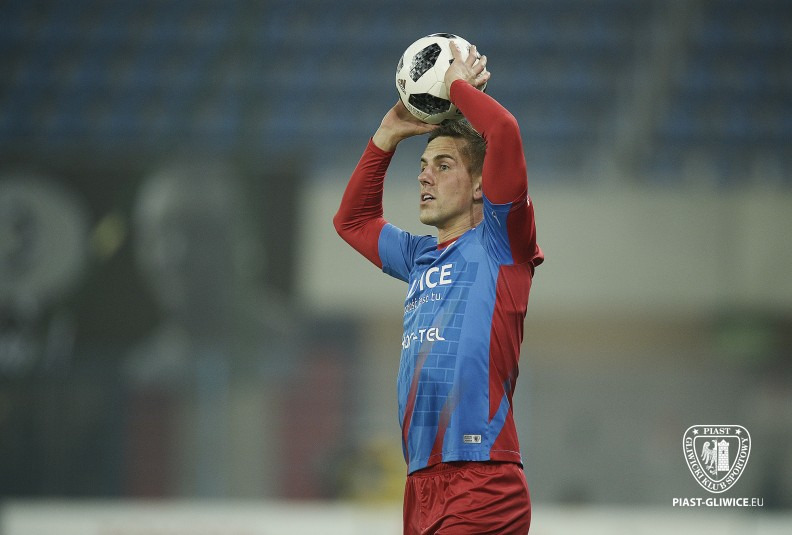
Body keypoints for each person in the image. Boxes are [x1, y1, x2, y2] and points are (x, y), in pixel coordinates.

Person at [334, 41, 542, 534]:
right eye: (423, 166)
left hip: (482, 478)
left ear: (480, 185)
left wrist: (456, 85)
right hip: (421, 483)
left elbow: (503, 131)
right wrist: (386, 135)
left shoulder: (501, 244)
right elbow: (351, 221)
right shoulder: (418, 258)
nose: (425, 177)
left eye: (443, 166)